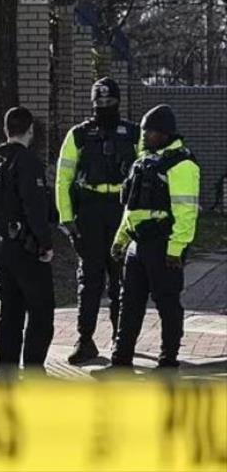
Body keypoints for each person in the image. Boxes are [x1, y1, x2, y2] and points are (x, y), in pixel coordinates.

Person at [104, 104, 200, 372]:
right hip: (137, 245)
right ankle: (121, 359)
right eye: (144, 131)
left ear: (165, 133)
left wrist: (176, 250)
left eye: (150, 132)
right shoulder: (142, 162)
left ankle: (168, 360)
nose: (144, 136)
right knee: (129, 303)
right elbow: (131, 209)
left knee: (167, 303)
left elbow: (186, 212)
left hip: (163, 245)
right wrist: (120, 241)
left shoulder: (182, 164)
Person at [55, 77, 140, 365]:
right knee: (89, 279)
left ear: (118, 101)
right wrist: (67, 221)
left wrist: (137, 218)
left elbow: (144, 178)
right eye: (99, 101)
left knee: (121, 278)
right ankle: (85, 339)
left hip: (120, 211)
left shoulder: (133, 133)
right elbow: (63, 180)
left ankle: (120, 339)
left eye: (109, 101)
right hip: (89, 211)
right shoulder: (78, 135)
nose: (104, 106)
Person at [0, 107, 55, 373]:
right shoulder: (26, 162)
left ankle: (5, 373)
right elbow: (35, 206)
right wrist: (45, 243)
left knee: (9, 312)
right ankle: (33, 370)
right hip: (26, 246)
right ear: (30, 130)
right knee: (41, 311)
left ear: (5, 130)